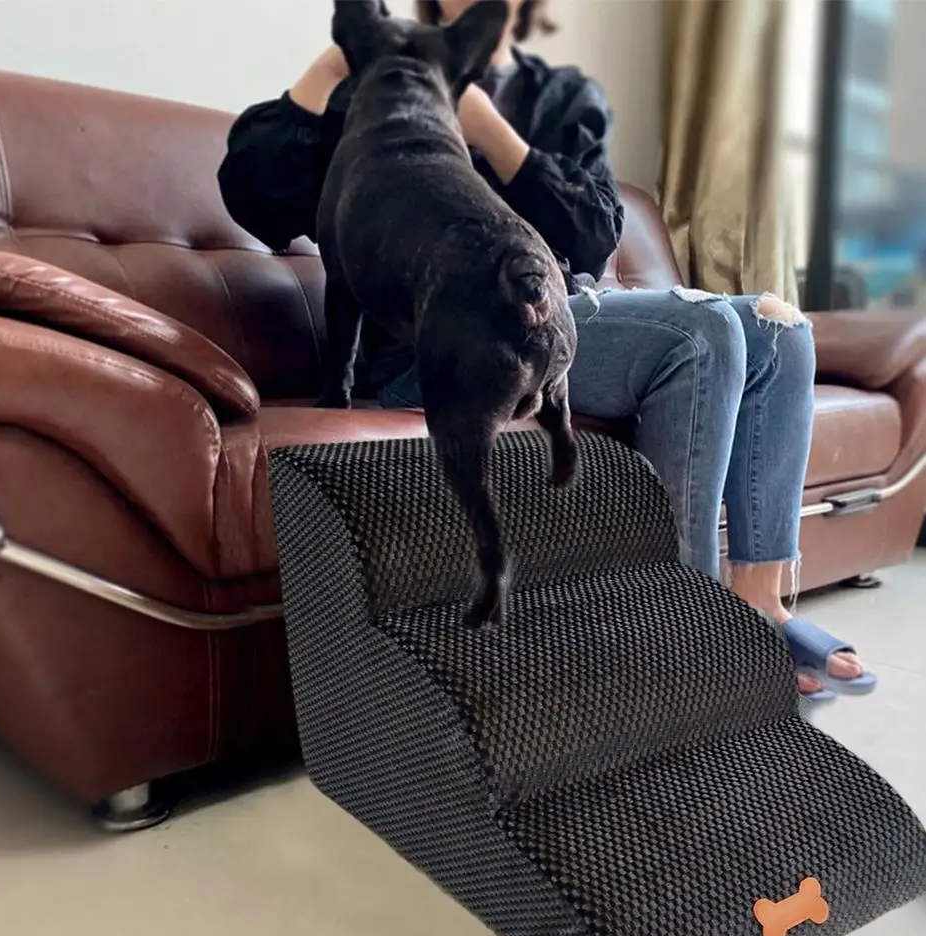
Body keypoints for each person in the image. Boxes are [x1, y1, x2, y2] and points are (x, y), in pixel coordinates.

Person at [218, 0, 874, 701]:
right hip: (435, 344)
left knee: (780, 330)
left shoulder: (559, 97)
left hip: (573, 308)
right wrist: (335, 64)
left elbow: (595, 235)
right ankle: (680, 621)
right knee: (702, 333)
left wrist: (490, 132)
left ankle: (759, 604)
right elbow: (256, 199)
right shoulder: (381, 82)